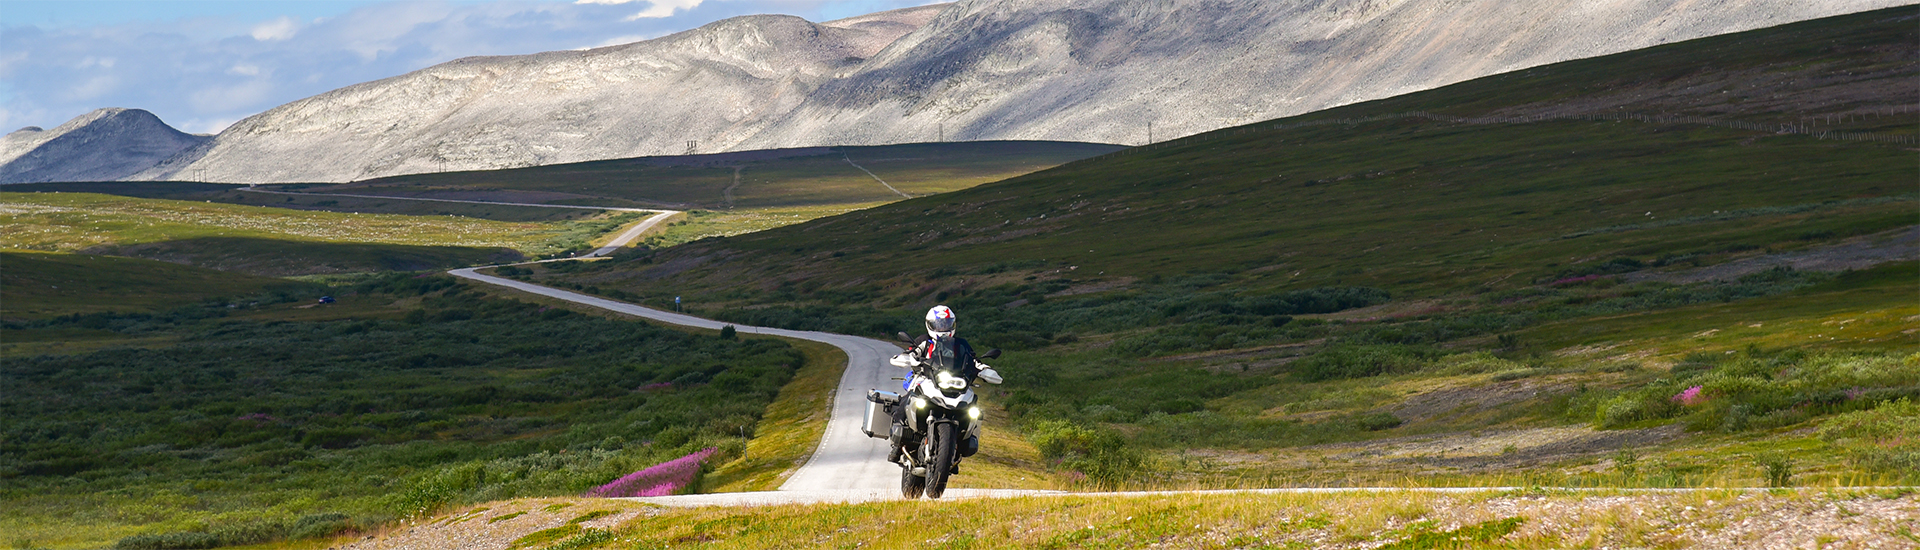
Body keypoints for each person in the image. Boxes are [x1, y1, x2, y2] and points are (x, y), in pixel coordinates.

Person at [888, 305, 979, 464]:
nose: (943, 328)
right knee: (907, 399)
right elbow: (912, 352)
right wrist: (909, 357)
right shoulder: (924, 341)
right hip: (925, 378)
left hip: (953, 381)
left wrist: (983, 369)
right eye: (939, 324)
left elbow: (973, 359)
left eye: (946, 323)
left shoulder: (960, 344)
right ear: (930, 325)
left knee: (973, 408)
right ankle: (897, 444)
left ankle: (962, 441)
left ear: (953, 324)